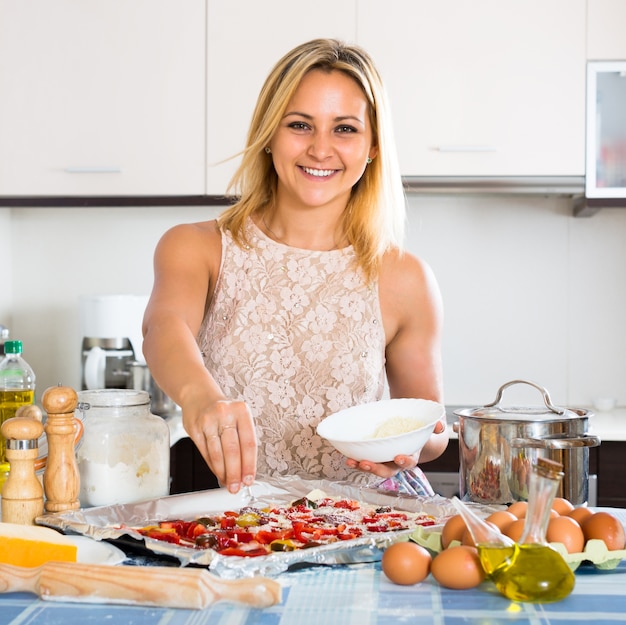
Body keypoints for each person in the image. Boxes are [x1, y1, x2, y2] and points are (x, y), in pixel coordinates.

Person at [142, 38, 448, 497]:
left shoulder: (405, 277)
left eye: (344, 129)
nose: (320, 149)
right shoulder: (196, 247)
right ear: (269, 135)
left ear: (373, 148)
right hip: (239, 525)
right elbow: (163, 329)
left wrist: (411, 447)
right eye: (300, 125)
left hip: (364, 525)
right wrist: (200, 397)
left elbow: (432, 425)